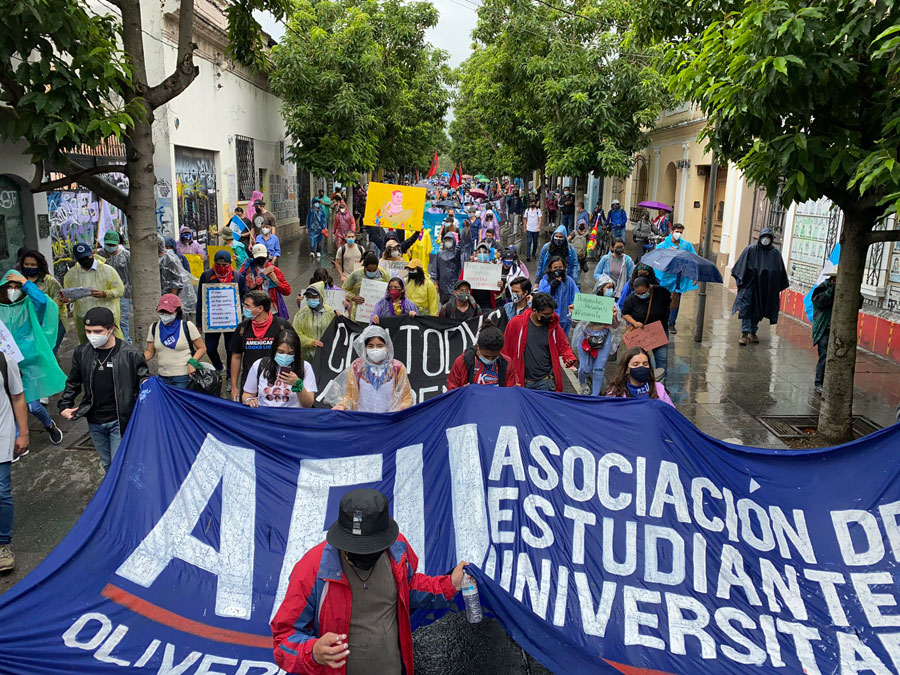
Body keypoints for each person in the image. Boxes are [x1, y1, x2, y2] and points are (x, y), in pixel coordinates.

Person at [271, 488, 468, 674]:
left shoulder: (397, 550)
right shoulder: (312, 569)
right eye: (355, 548)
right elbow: (283, 640)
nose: (364, 553)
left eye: (371, 547)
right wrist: (313, 652)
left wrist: (449, 584)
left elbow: (409, 587)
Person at [59, 306, 149, 471]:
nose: (92, 336)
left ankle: (121, 495)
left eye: (97, 331)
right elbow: (74, 381)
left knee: (118, 465)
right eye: (88, 331)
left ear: (111, 329)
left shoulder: (131, 354)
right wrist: (64, 405)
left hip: (119, 420)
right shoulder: (81, 352)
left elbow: (144, 382)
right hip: (94, 420)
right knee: (107, 463)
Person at [0, 270, 66, 444]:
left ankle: (49, 425)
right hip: (5, 364)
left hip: (29, 363)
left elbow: (43, 301)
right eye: (9, 287)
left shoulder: (29, 305)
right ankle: (15, 440)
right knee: (10, 403)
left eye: (17, 287)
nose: (13, 290)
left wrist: (26, 283)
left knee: (33, 405)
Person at [502, 292, 576, 392]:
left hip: (546, 382)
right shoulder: (516, 324)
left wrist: (569, 357)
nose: (550, 317)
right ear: (534, 310)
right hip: (522, 383)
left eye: (551, 313)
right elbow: (505, 351)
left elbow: (564, 345)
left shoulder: (554, 326)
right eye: (545, 314)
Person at [196, 250, 247, 389]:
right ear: (214, 264)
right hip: (213, 319)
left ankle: (231, 377)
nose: (221, 267)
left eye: (225, 265)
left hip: (231, 320)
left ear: (230, 264)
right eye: (218, 264)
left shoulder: (237, 276)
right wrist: (199, 322)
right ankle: (218, 367)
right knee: (210, 348)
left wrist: (238, 305)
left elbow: (245, 295)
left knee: (231, 349)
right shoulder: (206, 276)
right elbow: (200, 299)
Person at [230, 290, 295, 398]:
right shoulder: (242, 328)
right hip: (249, 386)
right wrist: (234, 387)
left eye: (247, 306)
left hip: (276, 385)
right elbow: (236, 357)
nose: (244, 308)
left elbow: (294, 352)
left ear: (260, 309)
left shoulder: (282, 326)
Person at [331, 326, 413, 412]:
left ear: (387, 347)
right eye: (370, 346)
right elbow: (349, 394)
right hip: (363, 418)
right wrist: (342, 405)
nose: (375, 349)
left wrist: (401, 408)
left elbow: (406, 396)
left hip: (388, 419)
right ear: (365, 348)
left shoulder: (397, 367)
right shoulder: (357, 367)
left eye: (380, 345)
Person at [731, 227, 789, 345]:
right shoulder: (751, 250)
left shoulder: (775, 254)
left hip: (765, 287)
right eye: (764, 237)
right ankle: (745, 332)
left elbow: (779, 271)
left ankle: (753, 331)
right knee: (747, 307)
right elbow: (740, 267)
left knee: (760, 309)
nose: (766, 240)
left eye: (768, 238)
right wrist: (743, 282)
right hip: (751, 285)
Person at [63, 242, 125, 344]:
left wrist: (105, 293)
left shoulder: (107, 270)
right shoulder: (71, 274)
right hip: (84, 317)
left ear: (92, 253)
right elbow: (70, 294)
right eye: (81, 259)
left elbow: (120, 290)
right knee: (87, 347)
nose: (85, 261)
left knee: (112, 345)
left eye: (87, 257)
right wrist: (67, 299)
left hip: (106, 317)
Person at [0, 353, 28, 572]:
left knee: (2, 492)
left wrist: (24, 433)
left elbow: (18, 396)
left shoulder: (4, 360)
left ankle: (3, 545)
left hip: (2, 435)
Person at [242, 329, 316, 408]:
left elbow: (308, 404)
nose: (285, 356)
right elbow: (247, 393)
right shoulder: (260, 365)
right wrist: (249, 400)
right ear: (274, 350)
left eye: (290, 353)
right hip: (266, 417)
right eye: (281, 352)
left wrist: (298, 385)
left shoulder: (305, 367)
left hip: (293, 417)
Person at [144, 294, 206, 388]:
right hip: (163, 377)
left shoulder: (187, 326)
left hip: (183, 377)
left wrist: (193, 362)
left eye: (168, 312)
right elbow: (149, 351)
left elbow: (202, 348)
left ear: (177, 311)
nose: (165, 315)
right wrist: (137, 359)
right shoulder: (154, 327)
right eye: (162, 312)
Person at [572, 275, 620, 396]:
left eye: (612, 288)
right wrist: (574, 311)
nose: (610, 290)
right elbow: (577, 318)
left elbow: (615, 325)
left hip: (604, 338)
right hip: (586, 337)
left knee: (599, 369)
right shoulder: (589, 302)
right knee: (585, 368)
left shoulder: (614, 305)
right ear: (601, 288)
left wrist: (614, 316)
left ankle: (595, 396)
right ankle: (582, 381)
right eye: (608, 287)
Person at [621, 275, 672, 378]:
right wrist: (634, 323)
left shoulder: (662, 292)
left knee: (662, 359)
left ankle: (661, 386)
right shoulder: (631, 298)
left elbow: (671, 306)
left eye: (643, 293)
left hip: (658, 332)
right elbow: (625, 313)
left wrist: (675, 299)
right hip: (641, 334)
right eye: (637, 293)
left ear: (649, 287)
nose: (640, 295)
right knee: (638, 359)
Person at [17, 249, 66, 352]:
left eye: (32, 265)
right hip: (29, 323)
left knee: (50, 351)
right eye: (26, 264)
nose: (29, 267)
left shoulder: (48, 280)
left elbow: (58, 299)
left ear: (39, 265)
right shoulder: (19, 281)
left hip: (52, 323)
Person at [447, 319, 518, 388]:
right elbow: (451, 390)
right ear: (477, 346)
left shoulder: (506, 363)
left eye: (495, 357)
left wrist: (515, 390)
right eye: (486, 356)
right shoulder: (463, 362)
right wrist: (462, 391)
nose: (490, 360)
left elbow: (510, 391)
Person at [656, 223, 698, 335]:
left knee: (676, 298)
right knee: (662, 299)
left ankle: (671, 323)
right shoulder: (662, 245)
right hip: (664, 277)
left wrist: (695, 274)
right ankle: (661, 320)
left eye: (680, 232)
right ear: (672, 231)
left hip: (678, 277)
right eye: (677, 231)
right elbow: (656, 260)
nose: (678, 234)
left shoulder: (686, 245)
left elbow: (693, 259)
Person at [606, 346, 674, 405]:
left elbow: (671, 413)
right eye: (635, 364)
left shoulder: (659, 389)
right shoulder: (615, 392)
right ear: (626, 369)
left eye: (645, 364)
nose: (641, 367)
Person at [97, 232, 133, 343]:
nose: (110, 247)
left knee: (122, 322)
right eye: (108, 244)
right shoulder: (99, 255)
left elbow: (131, 275)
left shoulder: (126, 256)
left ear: (118, 243)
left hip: (122, 295)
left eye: (113, 245)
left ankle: (125, 344)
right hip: (104, 294)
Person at [240, 243, 292, 319]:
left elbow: (287, 291)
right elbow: (249, 286)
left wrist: (276, 281)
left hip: (272, 310)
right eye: (258, 258)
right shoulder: (249, 269)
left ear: (267, 256)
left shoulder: (274, 270)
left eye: (263, 257)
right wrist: (263, 274)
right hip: (255, 309)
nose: (261, 260)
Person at [293, 282, 336, 363]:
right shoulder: (302, 313)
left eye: (314, 296)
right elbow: (296, 334)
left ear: (321, 296)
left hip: (327, 355)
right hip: (307, 357)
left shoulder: (331, 312)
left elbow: (338, 331)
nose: (311, 299)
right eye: (309, 297)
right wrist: (310, 342)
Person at [538, 256, 579, 335]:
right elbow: (541, 295)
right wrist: (551, 286)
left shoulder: (569, 281)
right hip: (549, 317)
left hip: (565, 317)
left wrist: (574, 306)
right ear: (550, 269)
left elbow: (576, 295)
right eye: (555, 267)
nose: (558, 269)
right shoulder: (545, 281)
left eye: (560, 267)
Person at [343, 253, 390, 321]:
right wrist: (353, 297)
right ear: (364, 267)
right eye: (369, 270)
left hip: (378, 316)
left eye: (374, 270)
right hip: (358, 315)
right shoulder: (356, 274)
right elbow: (344, 289)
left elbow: (390, 289)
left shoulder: (384, 275)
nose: (372, 272)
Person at [811, 270, 836, 395]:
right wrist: (830, 290)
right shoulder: (822, 288)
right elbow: (819, 302)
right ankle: (819, 382)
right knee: (824, 356)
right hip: (823, 329)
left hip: (836, 330)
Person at [430, 233, 463, 304]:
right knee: (444, 306)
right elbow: (435, 269)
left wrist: (467, 230)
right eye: (446, 240)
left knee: (454, 304)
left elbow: (465, 244)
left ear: (453, 241)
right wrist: (435, 283)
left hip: (454, 284)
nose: (448, 242)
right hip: (442, 285)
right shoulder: (440, 254)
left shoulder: (457, 252)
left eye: (450, 240)